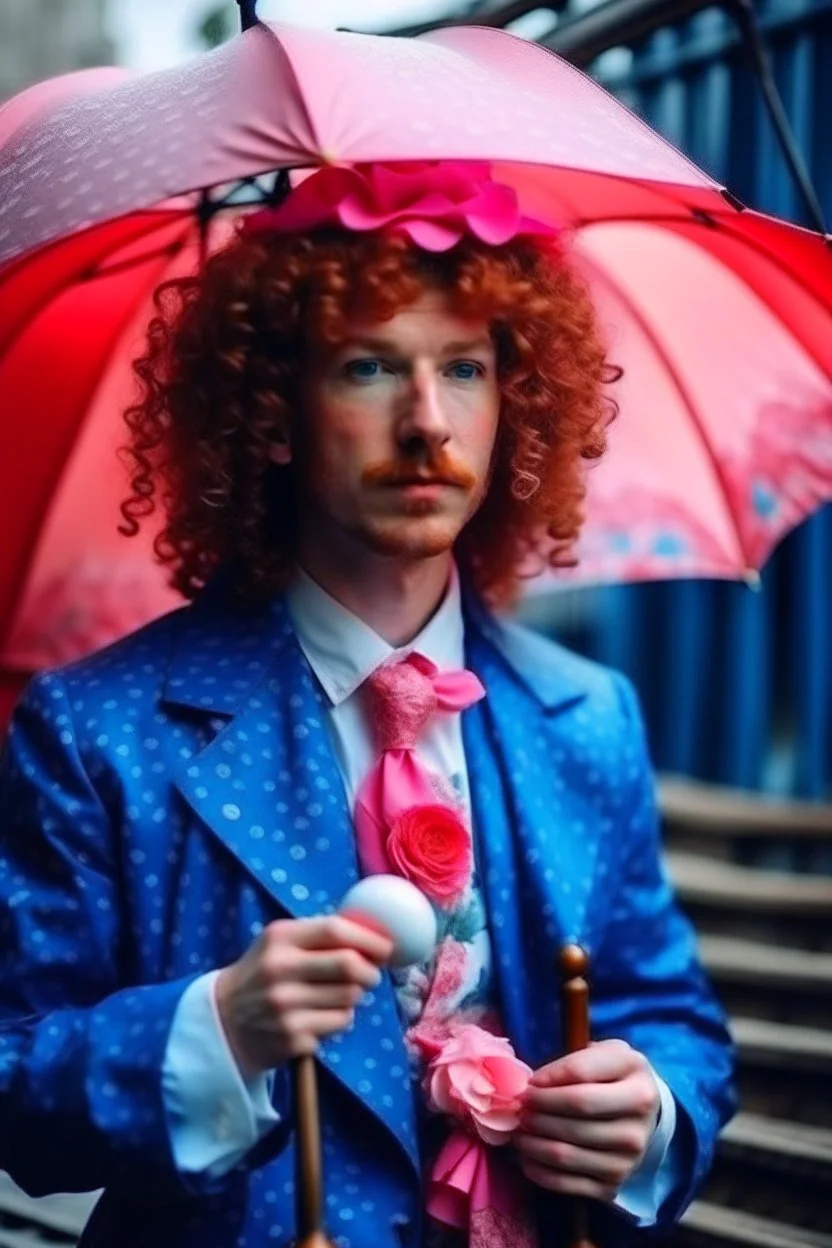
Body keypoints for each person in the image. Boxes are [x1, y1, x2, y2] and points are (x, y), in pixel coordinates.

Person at [0, 160, 735, 1248]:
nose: (428, 421)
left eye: (468, 370)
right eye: (366, 367)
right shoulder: (97, 730)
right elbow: (19, 1087)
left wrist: (651, 1111)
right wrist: (212, 1031)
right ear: (275, 415)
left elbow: (664, 1012)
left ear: (515, 408)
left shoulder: (585, 714)